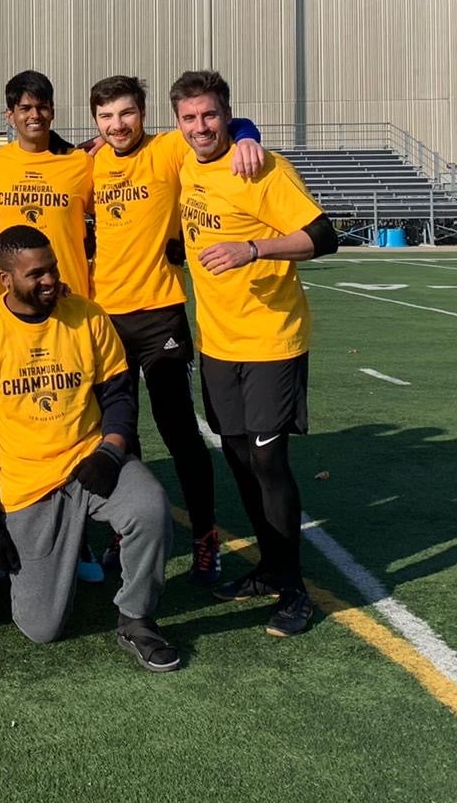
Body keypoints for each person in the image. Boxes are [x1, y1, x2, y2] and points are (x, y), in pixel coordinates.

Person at [0, 225, 180, 672]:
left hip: (91, 462)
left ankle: (136, 617)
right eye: (36, 274)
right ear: (5, 280)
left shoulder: (89, 317)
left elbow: (118, 396)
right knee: (42, 628)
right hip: (28, 484)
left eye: (53, 269)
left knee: (150, 507)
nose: (50, 280)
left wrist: (110, 452)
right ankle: (60, 553)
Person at [171, 70, 338, 638]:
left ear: (226, 114)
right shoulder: (185, 160)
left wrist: (252, 248)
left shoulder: (261, 167)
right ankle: (268, 568)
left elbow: (324, 235)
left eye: (211, 116)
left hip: (271, 340)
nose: (200, 127)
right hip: (217, 342)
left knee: (268, 462)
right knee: (239, 458)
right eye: (190, 118)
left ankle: (294, 587)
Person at [88, 75, 265, 586]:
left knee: (178, 432)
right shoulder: (92, 160)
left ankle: (205, 534)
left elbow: (217, 132)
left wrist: (249, 132)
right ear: (95, 120)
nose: (117, 125)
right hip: (105, 319)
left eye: (126, 113)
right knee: (119, 434)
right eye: (106, 116)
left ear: (144, 113)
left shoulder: (168, 150)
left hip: (161, 313)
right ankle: (127, 532)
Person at [0, 71, 95, 297]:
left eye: (42, 107)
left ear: (52, 112)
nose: (35, 115)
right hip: (11, 301)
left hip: (68, 297)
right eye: (25, 108)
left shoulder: (80, 163)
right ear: (10, 115)